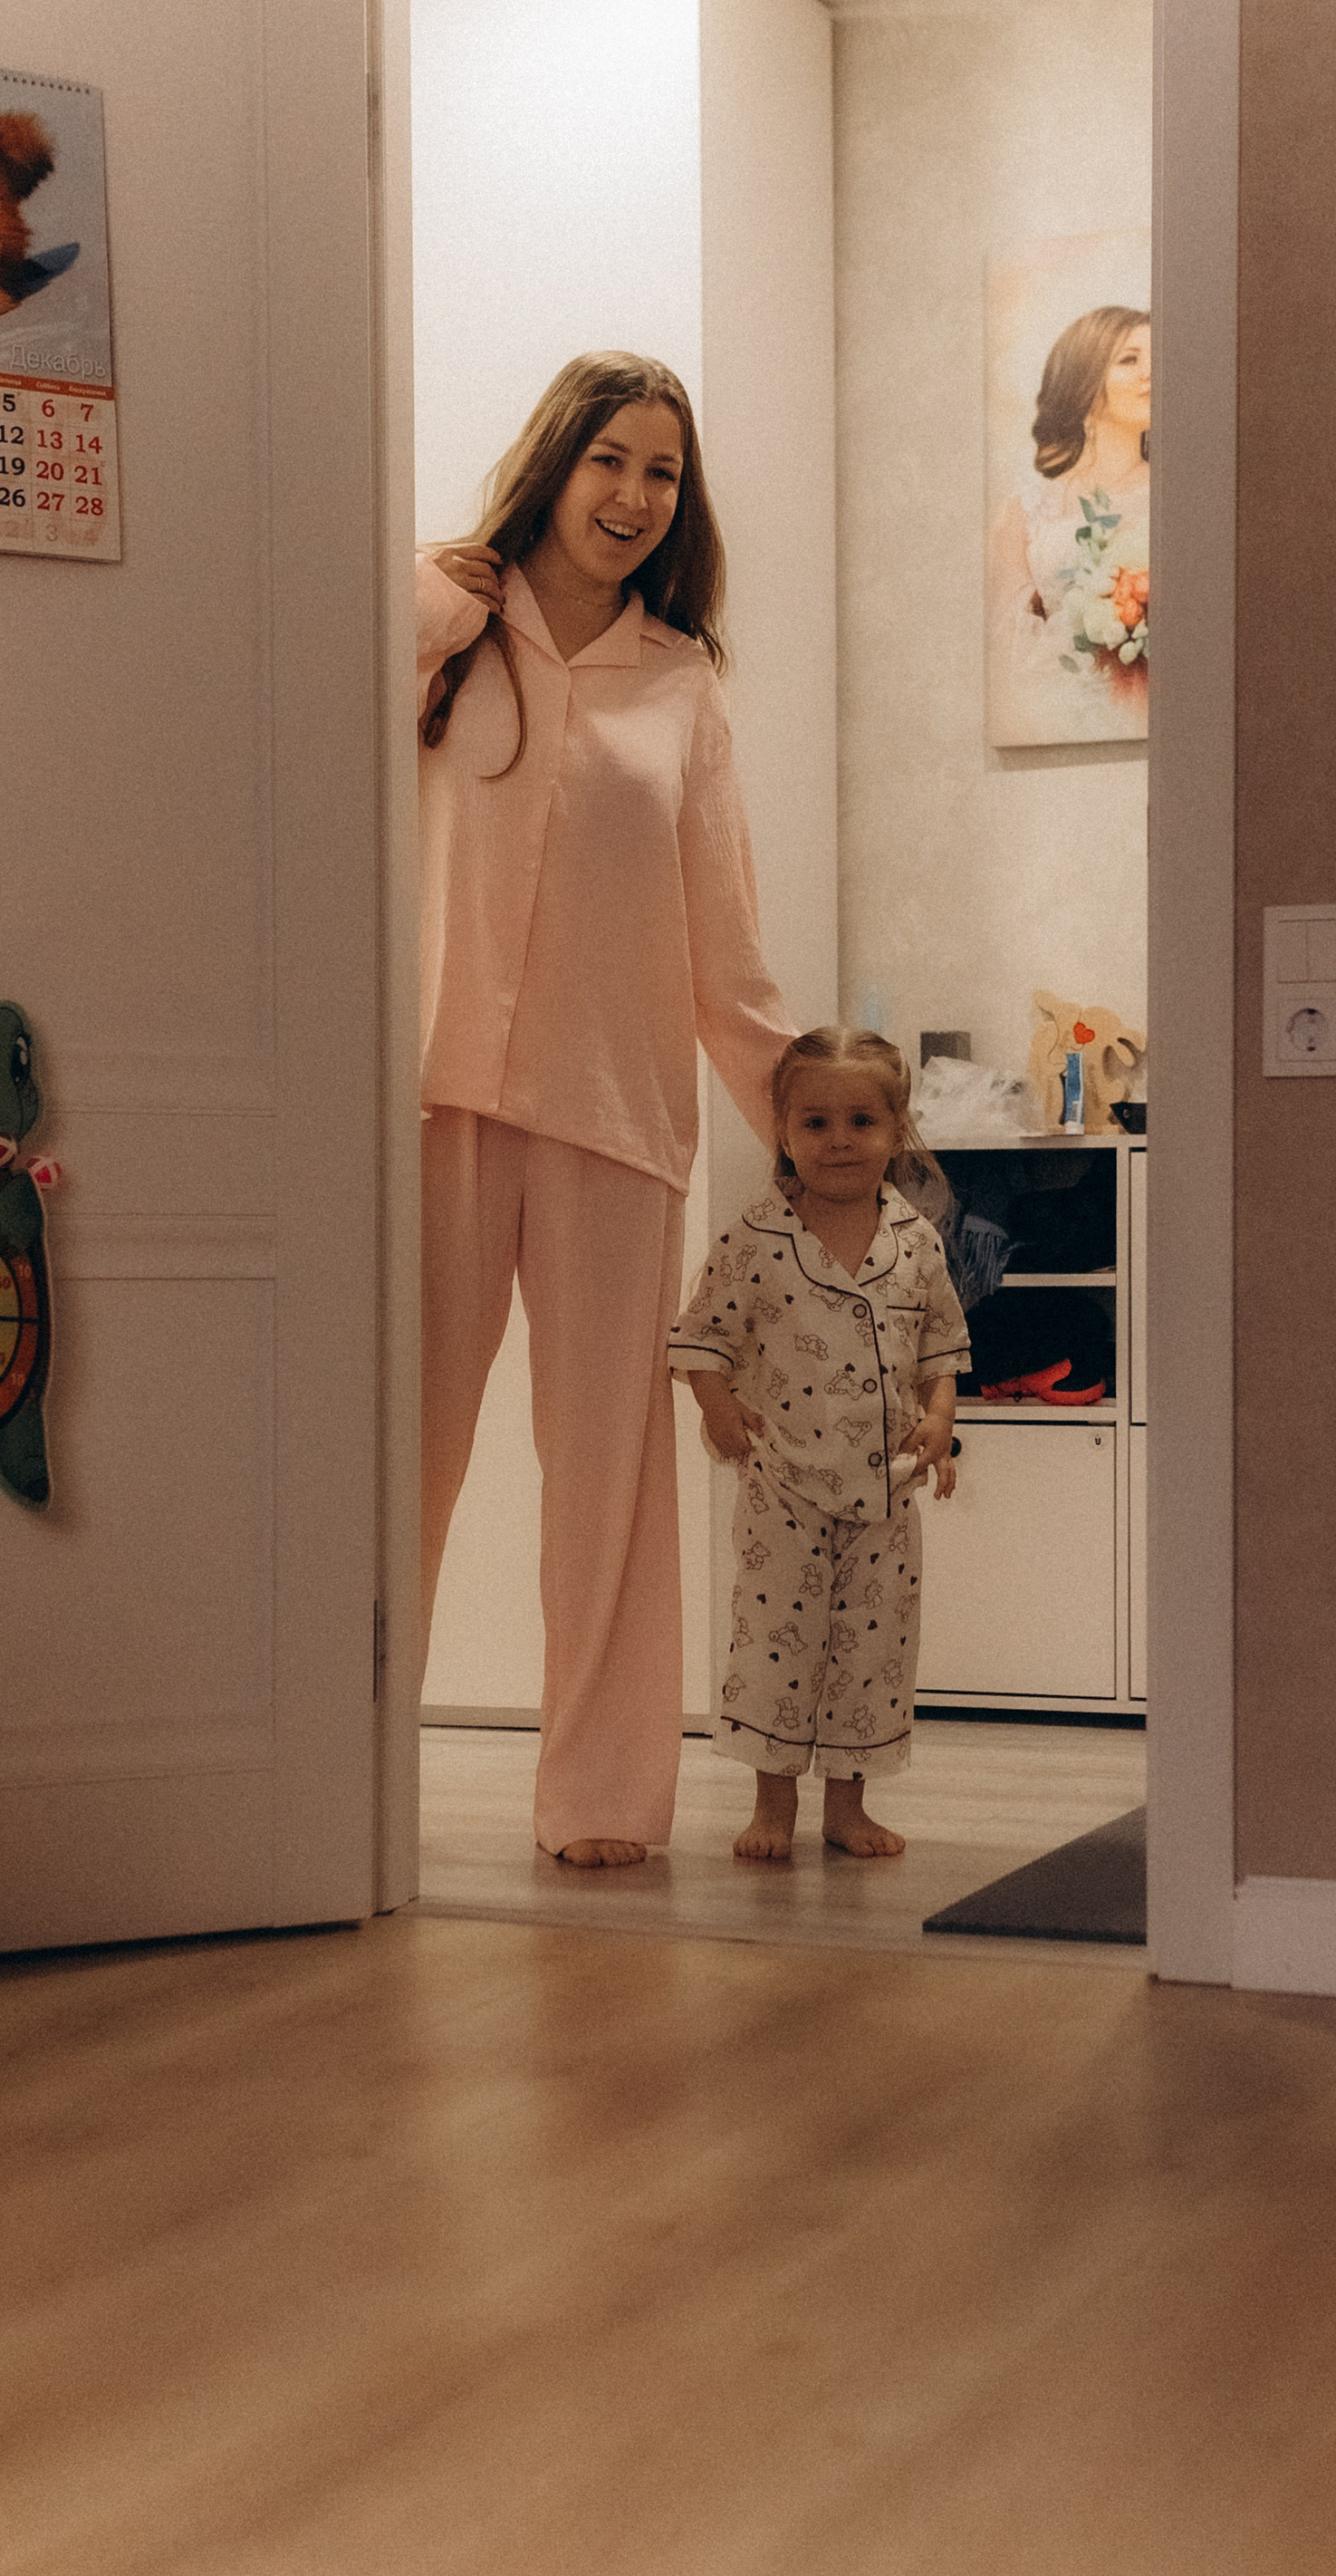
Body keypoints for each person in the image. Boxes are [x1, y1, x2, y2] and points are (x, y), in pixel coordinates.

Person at [417, 351, 794, 1870]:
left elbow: (725, 941)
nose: (636, 496)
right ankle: (337, 1776)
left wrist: (823, 1128)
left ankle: (600, 1802)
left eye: (663, 472)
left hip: (616, 1118)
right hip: (436, 1101)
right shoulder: (443, 629)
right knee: (396, 1458)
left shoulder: (684, 684)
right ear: (555, 460)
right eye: (611, 460)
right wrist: (426, 608)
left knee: (609, 1492)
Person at [668, 1028, 971, 1862]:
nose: (840, 1140)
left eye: (862, 1121)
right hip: (785, 1489)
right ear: (785, 1133)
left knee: (873, 1650)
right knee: (777, 1647)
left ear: (897, 1130)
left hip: (887, 1492)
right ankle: (773, 1807)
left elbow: (942, 1346)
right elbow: (702, 1338)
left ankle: (847, 1809)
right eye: (816, 1122)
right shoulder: (755, 1239)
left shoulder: (916, 1241)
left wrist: (941, 1418)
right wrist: (717, 1406)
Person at [987, 305, 1151, 745]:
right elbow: (1004, 640)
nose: (1151, 374)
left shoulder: (1180, 495)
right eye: (1130, 359)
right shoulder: (1024, 509)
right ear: (1085, 379)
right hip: (1052, 719)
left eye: (1159, 360)